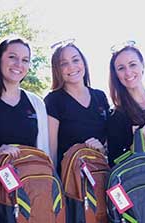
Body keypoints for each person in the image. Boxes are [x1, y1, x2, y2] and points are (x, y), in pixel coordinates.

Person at [0, 37, 49, 223]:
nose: (19, 64)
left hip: (28, 196)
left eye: (25, 60)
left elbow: (44, 154)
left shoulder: (36, 103)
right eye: (12, 57)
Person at [44, 39, 109, 174]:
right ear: (57, 69)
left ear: (83, 62)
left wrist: (101, 149)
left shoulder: (100, 96)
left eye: (75, 60)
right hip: (71, 182)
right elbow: (51, 151)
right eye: (64, 64)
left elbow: (109, 142)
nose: (71, 67)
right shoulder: (53, 100)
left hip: (102, 176)